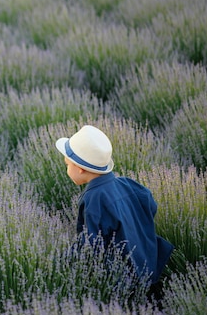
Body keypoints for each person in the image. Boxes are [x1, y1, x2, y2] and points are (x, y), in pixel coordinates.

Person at [55, 124, 174, 301]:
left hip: (124, 278)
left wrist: (62, 262)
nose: (66, 169)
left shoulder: (94, 198)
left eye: (67, 164)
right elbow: (150, 205)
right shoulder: (127, 183)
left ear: (80, 168)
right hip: (148, 261)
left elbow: (92, 244)